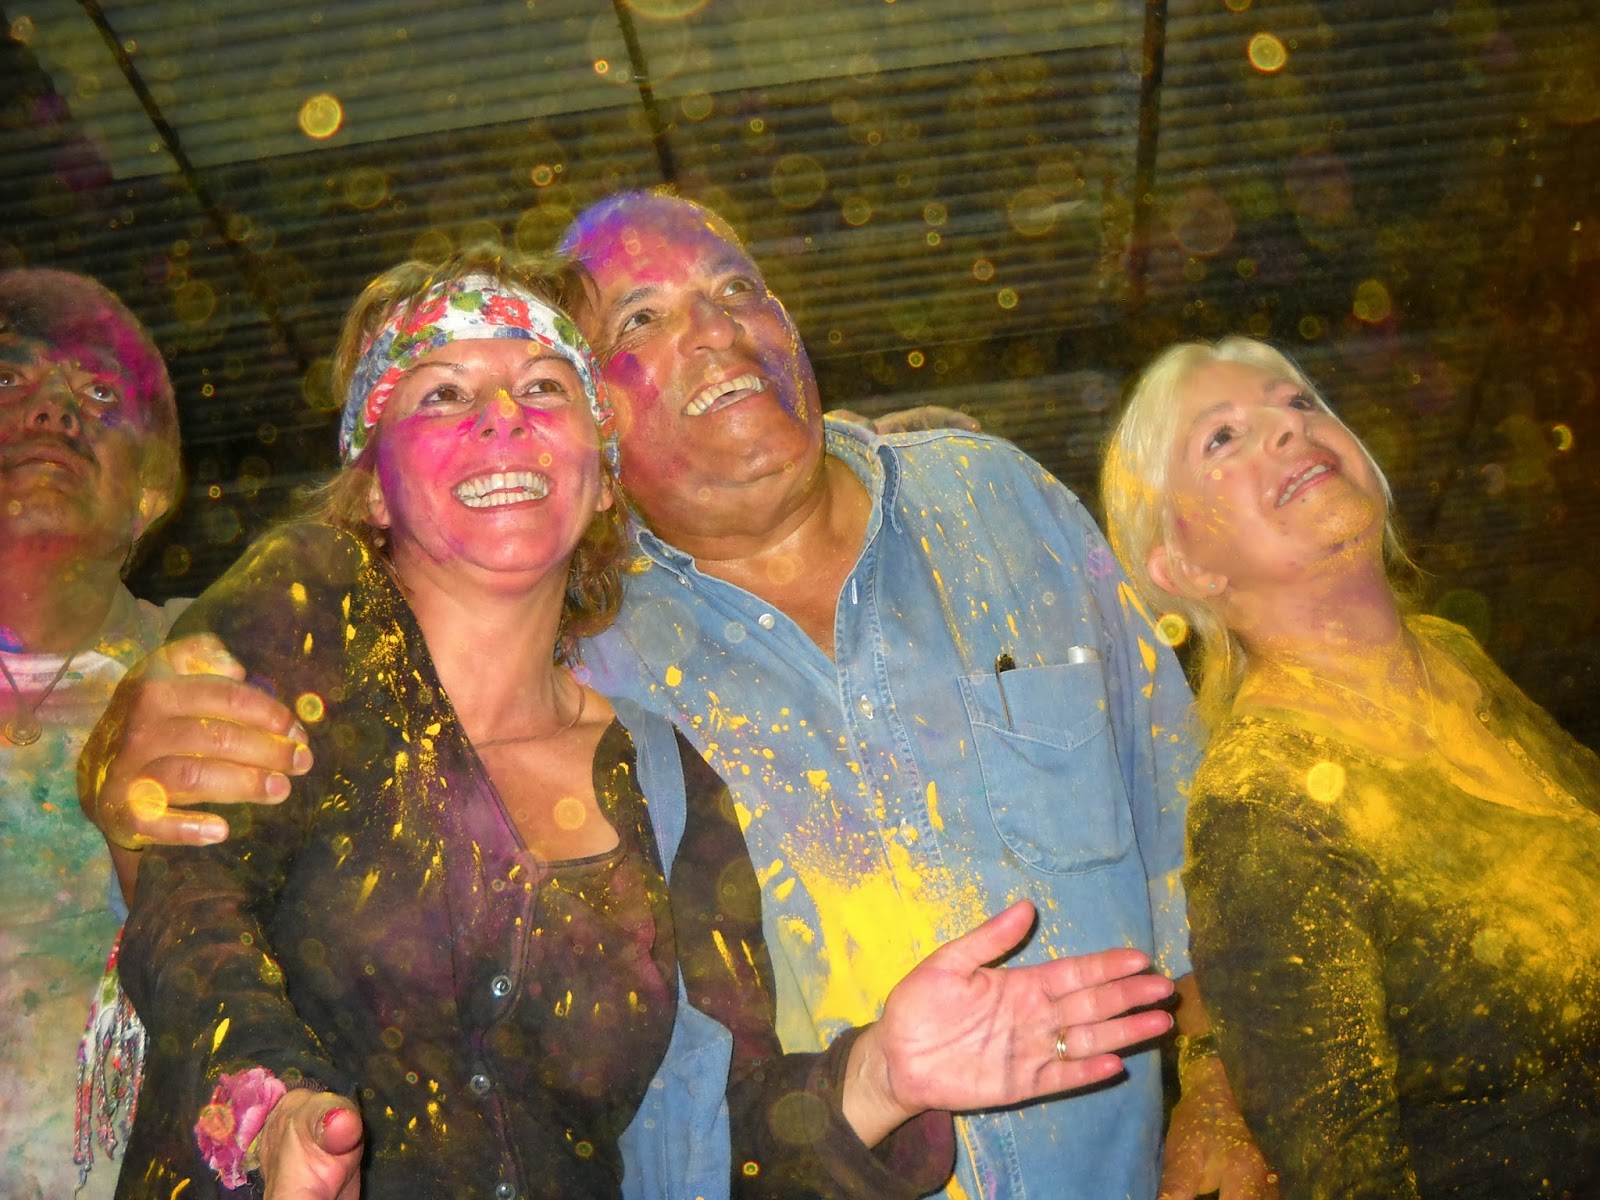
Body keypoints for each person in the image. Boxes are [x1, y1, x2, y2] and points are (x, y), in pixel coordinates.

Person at [86, 194, 1272, 1200]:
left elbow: (704, 1132)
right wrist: (261, 1092)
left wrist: (899, 1077)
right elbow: (194, 908)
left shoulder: (675, 751)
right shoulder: (436, 650)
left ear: (592, 467)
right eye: (641, 320)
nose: (712, 329)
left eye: (735, 287)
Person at [1099, 334, 1600, 1197]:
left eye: (1298, 402)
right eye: (1222, 438)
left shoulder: (1451, 653)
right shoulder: (1262, 808)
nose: (1289, 428)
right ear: (1182, 566)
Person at [0, 268, 185, 1198]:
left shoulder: (221, 665)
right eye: (7, 380)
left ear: (148, 491)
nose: (53, 413)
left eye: (100, 396)